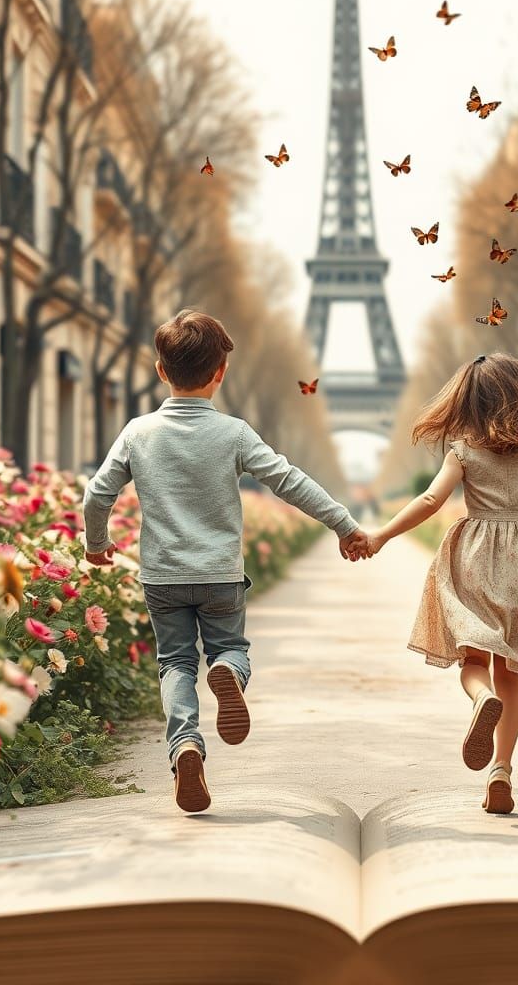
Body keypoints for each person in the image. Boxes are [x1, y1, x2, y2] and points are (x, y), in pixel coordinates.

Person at [83, 310, 367, 813]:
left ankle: (186, 746)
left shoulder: (137, 433)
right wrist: (344, 523)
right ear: (221, 373)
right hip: (220, 576)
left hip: (163, 577)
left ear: (160, 371)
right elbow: (289, 481)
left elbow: (97, 493)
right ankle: (230, 676)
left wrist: (96, 543)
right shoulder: (234, 433)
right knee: (229, 648)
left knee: (175, 662)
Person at [349, 353, 518, 814]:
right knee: (511, 674)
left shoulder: (464, 450)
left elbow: (431, 499)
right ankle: (501, 771)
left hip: (474, 557)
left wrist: (383, 535)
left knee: (473, 658)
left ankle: (479, 697)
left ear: (470, 401)